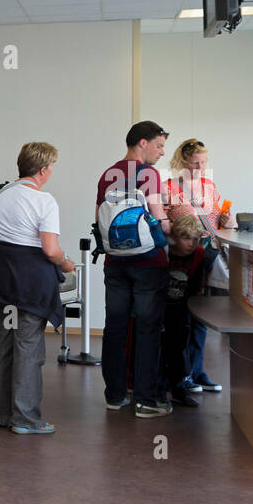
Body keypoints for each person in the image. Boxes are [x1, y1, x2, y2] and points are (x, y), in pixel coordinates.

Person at [0, 142, 77, 434]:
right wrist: (66, 263)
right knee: (28, 347)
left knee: (4, 344)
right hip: (30, 288)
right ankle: (25, 419)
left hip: (3, 285)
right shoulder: (44, 201)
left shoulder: (1, 195)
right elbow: (50, 250)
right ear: (43, 169)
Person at [98, 120, 173, 419]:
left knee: (115, 327)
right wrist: (172, 221)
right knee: (148, 329)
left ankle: (115, 396)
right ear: (142, 143)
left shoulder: (107, 174)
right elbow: (158, 219)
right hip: (147, 264)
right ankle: (146, 400)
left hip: (115, 262)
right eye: (159, 145)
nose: (161, 152)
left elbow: (98, 220)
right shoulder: (149, 174)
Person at [162, 138, 229, 393]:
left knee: (201, 316)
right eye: (194, 163)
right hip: (181, 257)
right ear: (181, 162)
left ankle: (197, 371)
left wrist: (226, 220)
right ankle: (179, 374)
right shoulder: (169, 188)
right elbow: (161, 221)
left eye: (203, 162)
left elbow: (218, 221)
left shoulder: (209, 187)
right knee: (179, 317)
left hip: (207, 254)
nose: (199, 167)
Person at [160, 213, 219, 409]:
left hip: (181, 307)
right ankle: (159, 388)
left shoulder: (200, 254)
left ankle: (178, 388)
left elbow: (196, 284)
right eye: (186, 238)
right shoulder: (164, 250)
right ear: (174, 237)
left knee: (179, 348)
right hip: (160, 306)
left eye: (195, 239)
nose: (191, 244)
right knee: (158, 348)